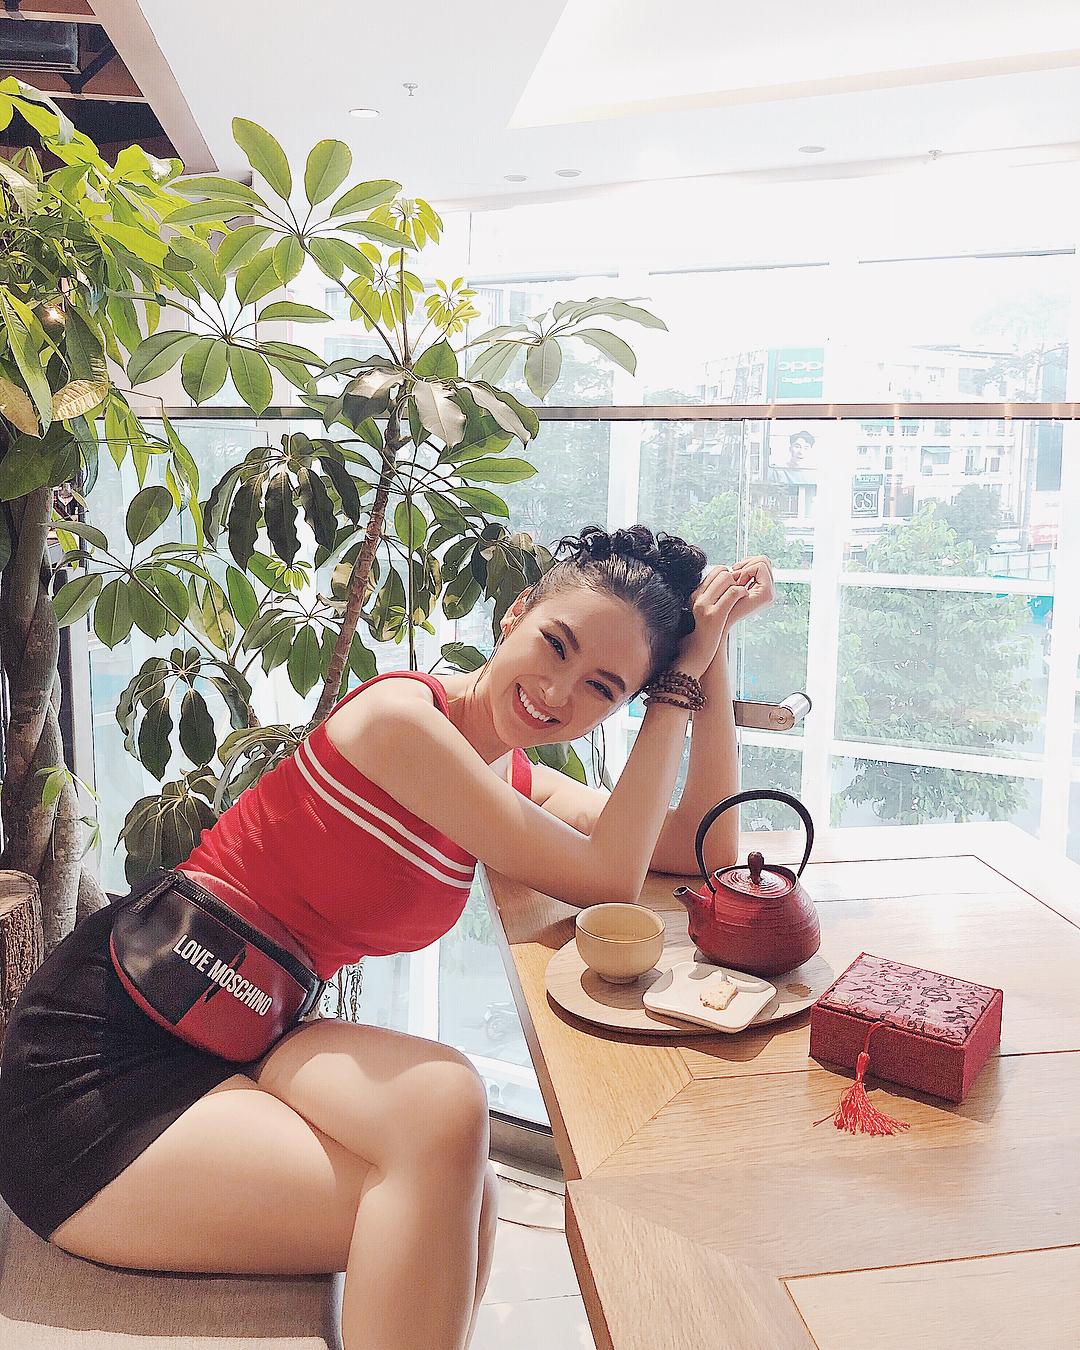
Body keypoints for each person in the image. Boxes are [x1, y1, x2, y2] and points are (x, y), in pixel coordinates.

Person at [0, 524, 773, 1350]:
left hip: (245, 1027)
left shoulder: (505, 775)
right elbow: (610, 877)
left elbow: (704, 847)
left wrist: (714, 654)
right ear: (514, 613)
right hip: (98, 1069)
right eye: (556, 644)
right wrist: (675, 683)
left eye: (602, 688)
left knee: (460, 1171)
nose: (558, 691)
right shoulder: (400, 721)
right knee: (449, 1137)